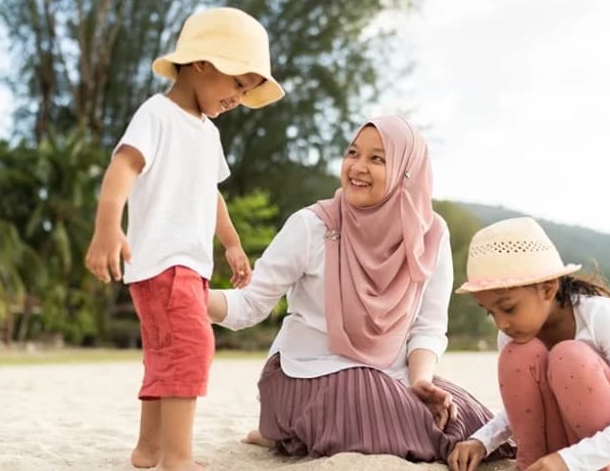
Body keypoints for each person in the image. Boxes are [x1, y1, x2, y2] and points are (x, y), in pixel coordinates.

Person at [207, 115, 514, 466]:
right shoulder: (313, 225)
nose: (357, 166)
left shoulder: (431, 235)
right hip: (307, 372)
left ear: (406, 170)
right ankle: (282, 426)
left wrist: (420, 381)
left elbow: (427, 327)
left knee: (466, 423)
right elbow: (250, 304)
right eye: (353, 153)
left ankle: (292, 432)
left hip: (392, 376)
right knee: (378, 414)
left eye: (377, 158)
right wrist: (189, 295)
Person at [84, 7, 284, 471]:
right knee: (191, 350)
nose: (240, 96)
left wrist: (232, 242)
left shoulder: (207, 133)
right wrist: (107, 225)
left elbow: (209, 192)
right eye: (238, 82)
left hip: (185, 268)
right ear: (202, 63)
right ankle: (177, 458)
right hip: (165, 263)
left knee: (165, 356)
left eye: (248, 89)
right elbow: (124, 165)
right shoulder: (157, 114)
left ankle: (149, 449)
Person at [447, 217, 610, 471]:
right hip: (554, 457)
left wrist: (571, 461)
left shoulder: (599, 316)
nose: (501, 324)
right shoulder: (512, 332)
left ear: (548, 289)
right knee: (517, 355)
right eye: (490, 313)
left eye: (508, 308)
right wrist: (481, 441)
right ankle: (528, 466)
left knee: (568, 357)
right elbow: (525, 407)